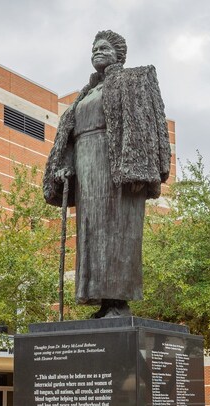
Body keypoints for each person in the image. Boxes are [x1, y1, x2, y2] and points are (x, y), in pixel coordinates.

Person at [44, 30, 171, 319]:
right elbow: (71, 136)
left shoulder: (132, 80)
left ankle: (119, 303)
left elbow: (148, 125)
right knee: (92, 232)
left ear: (119, 55)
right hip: (87, 166)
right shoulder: (86, 94)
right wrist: (67, 167)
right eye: (93, 48)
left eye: (103, 48)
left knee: (118, 231)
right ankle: (103, 302)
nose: (96, 51)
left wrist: (142, 169)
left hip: (118, 165)